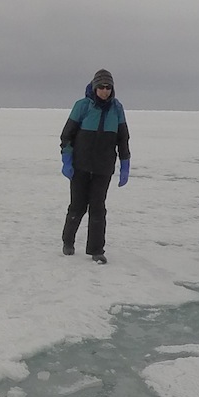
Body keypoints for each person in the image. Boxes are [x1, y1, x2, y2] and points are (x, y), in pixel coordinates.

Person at [59, 68, 130, 263]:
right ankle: (68, 241)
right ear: (94, 87)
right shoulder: (82, 106)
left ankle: (96, 250)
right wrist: (67, 159)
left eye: (108, 87)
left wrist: (125, 163)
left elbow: (123, 138)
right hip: (80, 166)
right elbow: (67, 136)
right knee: (78, 206)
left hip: (103, 168)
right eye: (101, 87)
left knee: (98, 207)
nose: (105, 91)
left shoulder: (117, 109)